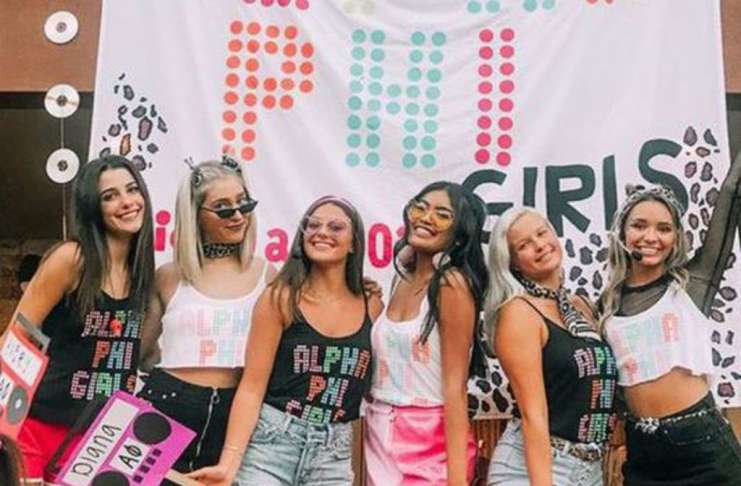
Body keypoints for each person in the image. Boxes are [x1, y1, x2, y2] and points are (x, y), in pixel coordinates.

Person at [188, 195, 382, 486]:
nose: (322, 232)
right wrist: (228, 463)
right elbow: (252, 387)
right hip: (272, 444)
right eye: (313, 225)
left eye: (336, 227)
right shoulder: (279, 298)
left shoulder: (372, 304)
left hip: (333, 453)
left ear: (354, 243)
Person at [5, 155, 154, 484]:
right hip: (35, 424)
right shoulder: (72, 259)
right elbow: (17, 337)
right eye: (110, 196)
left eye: (132, 189)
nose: (127, 202)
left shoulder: (143, 273)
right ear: (93, 208)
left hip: (96, 436)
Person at [599, 151, 741, 485]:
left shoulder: (693, 284)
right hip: (643, 453)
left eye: (664, 228)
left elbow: (732, 190)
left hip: (703, 448)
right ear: (621, 232)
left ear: (676, 237)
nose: (651, 237)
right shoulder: (606, 305)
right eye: (639, 226)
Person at [138, 158, 274, 476]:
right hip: (168, 401)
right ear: (195, 215)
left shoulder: (268, 275)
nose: (237, 215)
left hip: (238, 410)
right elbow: (140, 351)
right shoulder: (169, 276)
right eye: (223, 208)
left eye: (244, 203)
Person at [364, 181, 488, 486]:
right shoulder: (400, 278)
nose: (426, 218)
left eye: (442, 214)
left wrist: (457, 480)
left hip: (428, 441)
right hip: (378, 432)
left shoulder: (451, 285)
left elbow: (455, 388)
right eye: (420, 207)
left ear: (460, 232)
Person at [485, 207, 617, 486]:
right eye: (524, 245)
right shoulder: (519, 312)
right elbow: (533, 415)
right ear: (513, 263)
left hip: (588, 469)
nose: (539, 245)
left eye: (542, 233)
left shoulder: (581, 305)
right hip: (531, 469)